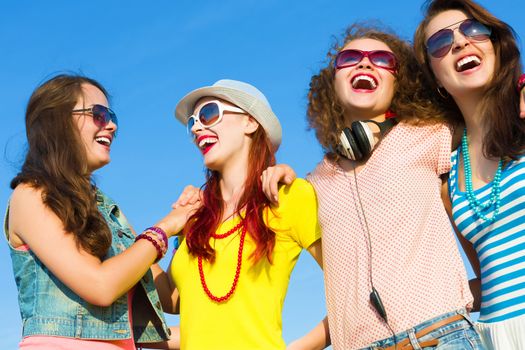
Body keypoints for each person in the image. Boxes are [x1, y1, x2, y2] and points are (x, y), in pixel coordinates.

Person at [261, 23, 483, 349]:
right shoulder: (312, 185)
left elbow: (491, 118)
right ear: (331, 83)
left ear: (399, 82)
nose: (365, 63)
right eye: (350, 58)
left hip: (441, 336)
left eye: (381, 59)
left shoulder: (431, 134)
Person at [5, 74, 192, 349]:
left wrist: (187, 230)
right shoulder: (31, 195)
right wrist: (164, 228)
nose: (112, 125)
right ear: (58, 121)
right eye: (100, 114)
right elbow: (101, 286)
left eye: (112, 116)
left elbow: (171, 299)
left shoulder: (109, 213)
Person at [168, 79, 324, 350]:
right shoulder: (194, 217)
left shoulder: (288, 197)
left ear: (250, 122)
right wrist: (141, 234)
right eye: (192, 122)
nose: (196, 127)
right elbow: (174, 302)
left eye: (208, 114)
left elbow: (351, 285)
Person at [414, 0, 525, 348]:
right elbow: (487, 277)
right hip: (495, 335)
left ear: (497, 47)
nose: (461, 42)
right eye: (440, 43)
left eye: (473, 29)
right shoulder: (448, 171)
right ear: (436, 80)